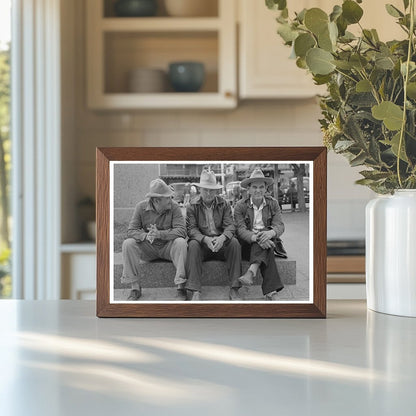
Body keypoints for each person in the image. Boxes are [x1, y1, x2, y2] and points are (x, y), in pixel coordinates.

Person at [121, 178, 188, 301]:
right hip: (149, 249)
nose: (170, 199)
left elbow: (182, 231)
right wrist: (145, 236)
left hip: (168, 249)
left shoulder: (174, 207)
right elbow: (130, 231)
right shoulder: (140, 207)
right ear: (157, 200)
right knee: (128, 244)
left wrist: (159, 234)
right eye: (167, 197)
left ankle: (181, 287)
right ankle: (135, 288)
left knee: (181, 242)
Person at [186, 169, 242, 301]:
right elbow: (191, 229)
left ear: (216, 191)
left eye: (212, 189)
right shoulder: (192, 206)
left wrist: (222, 238)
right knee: (193, 244)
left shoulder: (224, 204)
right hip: (203, 245)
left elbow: (230, 225)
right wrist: (205, 239)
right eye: (205, 189)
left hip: (220, 243)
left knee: (234, 243)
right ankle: (195, 291)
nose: (209, 193)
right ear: (200, 190)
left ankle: (234, 289)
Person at [234, 168, 285, 301]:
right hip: (247, 244)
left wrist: (270, 233)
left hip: (269, 239)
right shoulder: (240, 206)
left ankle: (251, 271)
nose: (258, 190)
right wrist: (257, 237)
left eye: (261, 187)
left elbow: (280, 225)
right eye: (255, 187)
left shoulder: (273, 203)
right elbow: (240, 229)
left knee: (265, 240)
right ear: (249, 189)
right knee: (264, 243)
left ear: (266, 189)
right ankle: (271, 292)